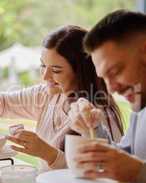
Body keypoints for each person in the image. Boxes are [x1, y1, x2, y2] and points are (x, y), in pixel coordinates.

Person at [0, 25, 123, 172]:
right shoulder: (48, 94)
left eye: (56, 70)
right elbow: (5, 103)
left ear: (80, 71)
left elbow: (101, 174)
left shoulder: (97, 115)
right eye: (43, 65)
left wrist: (48, 153)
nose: (45, 76)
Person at [69, 10, 146, 183]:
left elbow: (135, 169)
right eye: (104, 78)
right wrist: (92, 129)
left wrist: (139, 172)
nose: (111, 89)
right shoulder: (139, 104)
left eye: (115, 71)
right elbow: (128, 159)